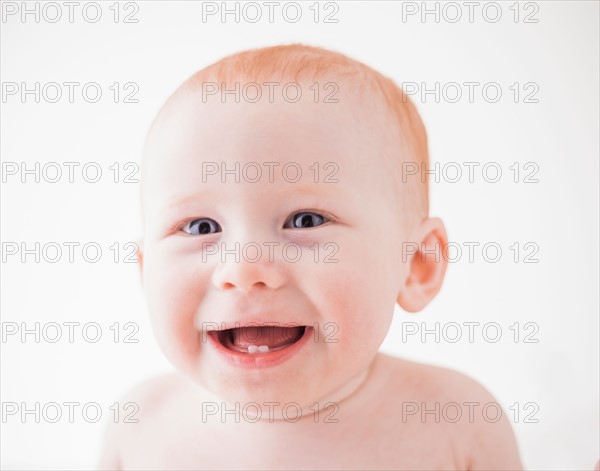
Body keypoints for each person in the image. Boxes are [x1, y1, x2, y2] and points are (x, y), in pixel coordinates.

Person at [98, 44, 523, 470]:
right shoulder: (139, 427)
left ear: (415, 264)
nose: (243, 269)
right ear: (145, 270)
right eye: (200, 227)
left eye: (305, 220)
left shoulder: (457, 425)